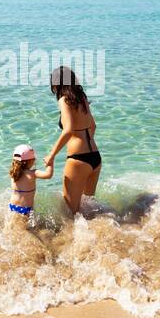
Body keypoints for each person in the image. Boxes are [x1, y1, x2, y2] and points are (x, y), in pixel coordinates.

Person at [44, 65, 101, 214]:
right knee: (89, 209)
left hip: (78, 160)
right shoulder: (82, 98)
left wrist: (51, 155)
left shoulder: (64, 100)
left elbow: (68, 130)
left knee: (70, 213)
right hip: (95, 157)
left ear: (57, 84)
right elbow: (93, 126)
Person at [8, 144, 52, 219]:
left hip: (12, 206)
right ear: (30, 161)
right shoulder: (33, 173)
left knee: (15, 226)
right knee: (25, 229)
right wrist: (50, 163)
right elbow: (48, 175)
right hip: (25, 209)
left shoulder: (14, 173)